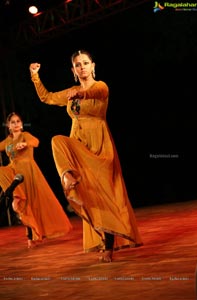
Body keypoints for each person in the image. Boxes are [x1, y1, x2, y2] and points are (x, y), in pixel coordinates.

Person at [29, 49, 143, 262]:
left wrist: (81, 93)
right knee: (57, 141)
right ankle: (67, 176)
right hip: (78, 144)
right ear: (73, 70)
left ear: (93, 66)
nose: (82, 67)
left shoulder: (101, 86)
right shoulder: (71, 90)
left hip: (99, 146)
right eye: (77, 65)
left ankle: (108, 246)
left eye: (85, 63)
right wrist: (35, 76)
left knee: (102, 194)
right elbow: (47, 98)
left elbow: (95, 94)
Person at [0, 112, 72, 248]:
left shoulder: (25, 135)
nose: (16, 124)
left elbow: (36, 142)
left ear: (21, 124)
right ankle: (16, 197)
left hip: (29, 172)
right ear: (8, 125)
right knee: (23, 203)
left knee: (32, 203)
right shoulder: (7, 141)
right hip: (15, 171)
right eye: (13, 122)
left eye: (18, 121)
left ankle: (33, 236)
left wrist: (26, 144)